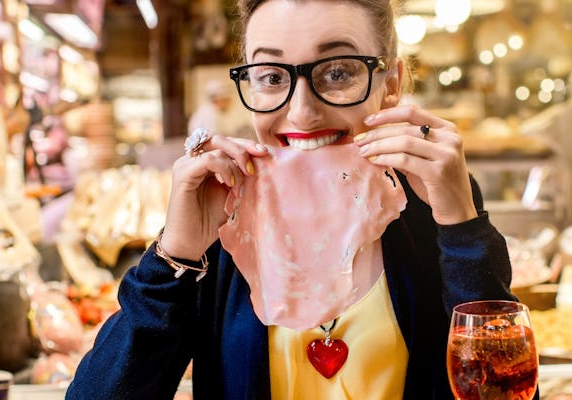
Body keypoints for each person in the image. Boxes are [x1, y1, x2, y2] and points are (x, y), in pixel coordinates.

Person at [67, 0, 518, 398]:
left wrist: (462, 224)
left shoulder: (427, 204)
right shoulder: (225, 219)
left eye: (338, 71)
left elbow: (501, 388)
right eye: (270, 76)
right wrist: (175, 255)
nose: (302, 112)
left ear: (392, 82)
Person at [188, 79, 253, 140]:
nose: (230, 103)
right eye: (227, 100)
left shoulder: (206, 112)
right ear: (219, 99)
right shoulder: (209, 115)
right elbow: (215, 140)